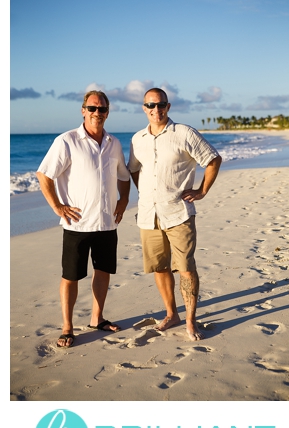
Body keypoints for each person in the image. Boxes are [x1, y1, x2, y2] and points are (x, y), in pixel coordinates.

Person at [37, 91, 131, 348]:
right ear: (83, 110)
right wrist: (57, 205)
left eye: (101, 109)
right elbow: (44, 175)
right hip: (77, 224)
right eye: (92, 108)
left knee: (103, 271)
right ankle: (67, 327)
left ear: (107, 113)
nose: (96, 113)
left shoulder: (114, 143)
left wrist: (124, 200)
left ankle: (97, 319)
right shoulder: (67, 141)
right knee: (71, 276)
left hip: (107, 223)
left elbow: (123, 175)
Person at [128, 88, 222, 341]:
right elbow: (134, 169)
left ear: (168, 107)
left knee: (186, 269)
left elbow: (213, 159)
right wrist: (145, 193)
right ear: (143, 108)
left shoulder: (185, 133)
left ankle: (190, 321)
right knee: (160, 267)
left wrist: (202, 190)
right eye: (150, 105)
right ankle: (172, 314)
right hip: (149, 215)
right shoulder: (138, 139)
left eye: (160, 105)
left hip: (178, 213)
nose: (155, 110)